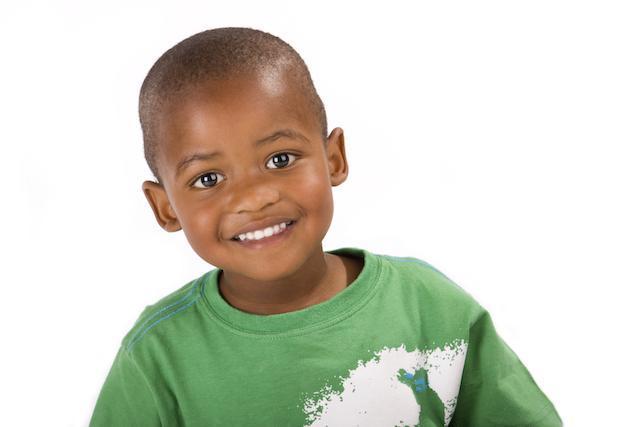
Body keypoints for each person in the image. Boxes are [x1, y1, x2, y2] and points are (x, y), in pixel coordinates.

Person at [90, 27, 562, 426]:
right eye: (207, 179)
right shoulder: (157, 357)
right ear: (165, 207)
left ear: (333, 158)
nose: (254, 197)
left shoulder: (429, 308)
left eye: (280, 159)